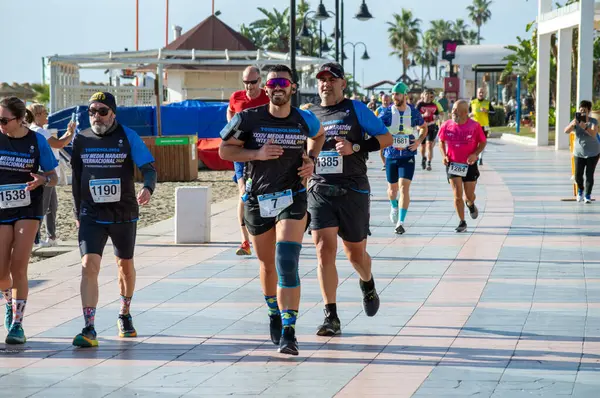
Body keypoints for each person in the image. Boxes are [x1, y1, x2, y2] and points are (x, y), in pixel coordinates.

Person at [219, 64, 325, 355]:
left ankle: (290, 331)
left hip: (293, 196)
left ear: (292, 87)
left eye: (283, 82)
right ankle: (273, 313)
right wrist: (256, 153)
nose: (278, 87)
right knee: (267, 265)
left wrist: (311, 160)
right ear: (266, 89)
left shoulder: (304, 119)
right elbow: (224, 150)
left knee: (286, 260)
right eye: (273, 83)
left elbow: (320, 135)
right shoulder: (247, 118)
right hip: (258, 199)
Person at [308, 62, 392, 336]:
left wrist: (355, 147)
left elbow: (386, 138)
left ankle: (367, 281)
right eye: (321, 79)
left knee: (355, 254)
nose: (326, 83)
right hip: (320, 188)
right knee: (323, 249)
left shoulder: (355, 109)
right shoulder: (310, 113)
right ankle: (330, 315)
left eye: (332, 79)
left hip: (353, 189)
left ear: (343, 84)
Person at [71, 92, 157, 348]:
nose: (96, 116)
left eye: (102, 111)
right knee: (88, 266)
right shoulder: (82, 138)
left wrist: (148, 188)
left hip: (122, 213)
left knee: (125, 266)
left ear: (113, 113)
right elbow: (76, 178)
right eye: (91, 111)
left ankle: (124, 313)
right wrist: (77, 212)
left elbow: (149, 168)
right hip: (91, 213)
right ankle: (89, 327)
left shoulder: (128, 136)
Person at [0, 97, 58, 344]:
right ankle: (8, 301)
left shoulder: (37, 141)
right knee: (2, 272)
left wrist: (42, 180)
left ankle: (17, 324)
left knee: (19, 265)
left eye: (4, 120)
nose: (0, 124)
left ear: (20, 118)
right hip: (2, 207)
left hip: (28, 207)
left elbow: (53, 176)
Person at [227, 66, 270, 256]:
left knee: (264, 189)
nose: (249, 86)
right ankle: (245, 241)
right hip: (240, 151)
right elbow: (229, 112)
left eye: (253, 82)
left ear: (260, 81)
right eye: (246, 82)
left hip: (261, 151)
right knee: (243, 192)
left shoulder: (267, 98)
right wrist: (231, 130)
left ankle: (267, 235)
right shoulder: (236, 96)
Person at [378, 82, 427, 234]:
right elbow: (376, 127)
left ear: (405, 95)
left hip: (408, 155)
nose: (394, 97)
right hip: (391, 155)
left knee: (404, 187)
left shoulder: (413, 112)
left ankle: (401, 221)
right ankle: (394, 205)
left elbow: (424, 127)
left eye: (397, 94)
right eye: (393, 94)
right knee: (392, 190)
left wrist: (418, 141)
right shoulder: (386, 112)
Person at [26, 104, 76, 248]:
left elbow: (57, 144)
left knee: (52, 206)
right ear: (36, 115)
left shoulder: (36, 130)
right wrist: (70, 133)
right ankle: (36, 239)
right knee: (43, 206)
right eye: (44, 112)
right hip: (44, 172)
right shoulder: (39, 131)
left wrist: (69, 132)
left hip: (45, 172)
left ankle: (51, 237)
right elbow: (59, 144)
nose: (47, 114)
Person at [439, 100, 487, 233]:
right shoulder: (446, 125)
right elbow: (441, 141)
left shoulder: (475, 126)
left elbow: (483, 142)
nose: (453, 111)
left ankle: (471, 205)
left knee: (469, 196)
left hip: (469, 165)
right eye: (453, 108)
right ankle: (462, 221)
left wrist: (475, 154)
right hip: (453, 164)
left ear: (465, 113)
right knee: (457, 195)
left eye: (457, 110)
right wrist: (444, 155)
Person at [565, 100, 599, 203]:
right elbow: (566, 131)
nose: (582, 113)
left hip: (593, 153)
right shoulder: (576, 120)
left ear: (589, 111)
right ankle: (581, 190)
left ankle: (587, 196)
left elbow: (593, 133)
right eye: (581, 110)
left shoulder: (593, 121)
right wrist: (573, 124)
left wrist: (585, 127)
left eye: (584, 110)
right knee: (577, 175)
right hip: (579, 153)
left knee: (589, 174)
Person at [469, 88, 495, 165]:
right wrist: (469, 115)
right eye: (480, 92)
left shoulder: (487, 102)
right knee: (474, 142)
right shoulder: (472, 102)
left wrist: (487, 111)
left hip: (484, 126)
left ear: (485, 93)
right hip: (474, 126)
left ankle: (480, 158)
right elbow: (467, 112)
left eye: (482, 92)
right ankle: (475, 156)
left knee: (483, 142)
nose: (481, 94)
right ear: (477, 93)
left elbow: (493, 112)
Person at [416, 90, 440, 171]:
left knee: (429, 144)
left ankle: (429, 162)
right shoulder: (420, 104)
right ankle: (423, 158)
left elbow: (437, 114)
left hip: (431, 126)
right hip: (422, 126)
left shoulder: (433, 105)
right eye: (425, 94)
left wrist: (436, 117)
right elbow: (415, 115)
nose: (427, 95)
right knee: (422, 146)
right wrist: (424, 115)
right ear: (423, 95)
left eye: (428, 94)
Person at [375, 94, 392, 170]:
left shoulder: (393, 108)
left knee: (391, 148)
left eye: (387, 100)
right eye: (384, 100)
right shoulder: (378, 110)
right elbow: (374, 121)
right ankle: (385, 164)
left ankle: (390, 163)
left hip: (391, 131)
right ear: (381, 100)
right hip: (381, 132)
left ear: (390, 100)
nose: (386, 102)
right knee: (382, 148)